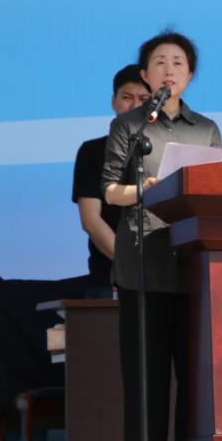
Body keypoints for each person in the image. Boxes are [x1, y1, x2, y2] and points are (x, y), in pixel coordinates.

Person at [101, 30, 222, 441]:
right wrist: (143, 190)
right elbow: (109, 191)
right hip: (144, 268)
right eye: (159, 63)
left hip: (192, 269)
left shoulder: (206, 129)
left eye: (177, 63)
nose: (169, 69)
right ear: (145, 75)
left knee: (196, 382)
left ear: (189, 75)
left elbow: (215, 191)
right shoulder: (129, 126)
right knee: (146, 384)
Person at [72, 64, 151, 298]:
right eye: (127, 97)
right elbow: (91, 220)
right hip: (109, 281)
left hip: (167, 280)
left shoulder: (169, 149)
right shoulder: (92, 151)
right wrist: (132, 265)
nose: (135, 106)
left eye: (144, 99)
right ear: (114, 102)